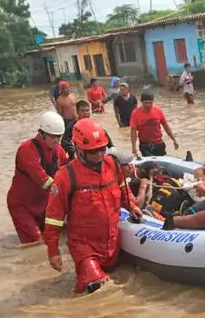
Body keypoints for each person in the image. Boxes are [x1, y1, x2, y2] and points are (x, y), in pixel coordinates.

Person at [43, 118, 143, 294]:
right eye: (93, 151)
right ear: (79, 149)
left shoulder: (112, 165)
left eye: (101, 149)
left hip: (112, 243)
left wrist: (132, 206)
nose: (98, 155)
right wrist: (53, 251)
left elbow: (122, 189)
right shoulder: (65, 177)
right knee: (100, 291)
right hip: (85, 247)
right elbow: (54, 218)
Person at [6, 111, 70, 247]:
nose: (56, 141)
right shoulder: (26, 150)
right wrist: (66, 191)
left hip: (43, 203)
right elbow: (43, 180)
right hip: (22, 205)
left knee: (54, 236)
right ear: (41, 133)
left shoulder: (59, 150)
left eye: (59, 137)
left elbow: (68, 172)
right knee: (36, 242)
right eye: (53, 137)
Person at [130, 91, 179, 157]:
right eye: (146, 103)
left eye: (150, 103)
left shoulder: (158, 111)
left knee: (162, 165)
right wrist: (134, 147)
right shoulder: (135, 113)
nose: (148, 105)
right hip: (145, 145)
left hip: (159, 143)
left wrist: (174, 140)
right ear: (141, 102)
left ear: (153, 101)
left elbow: (166, 126)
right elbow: (133, 131)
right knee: (151, 165)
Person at [55, 81, 79, 160]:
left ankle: (72, 156)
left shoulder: (73, 96)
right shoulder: (59, 100)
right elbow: (59, 114)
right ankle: (62, 156)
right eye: (65, 88)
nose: (67, 90)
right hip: (67, 122)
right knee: (66, 141)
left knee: (76, 139)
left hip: (77, 120)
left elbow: (77, 107)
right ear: (61, 90)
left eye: (68, 88)